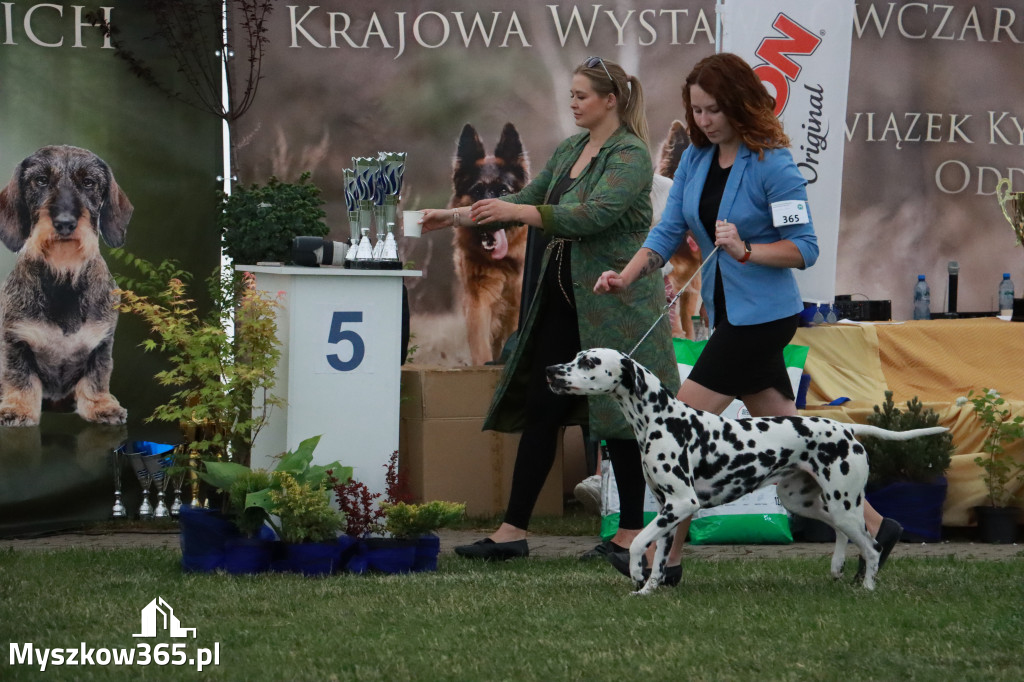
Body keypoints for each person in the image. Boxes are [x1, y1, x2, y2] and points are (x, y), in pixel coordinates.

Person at [595, 52, 902, 582]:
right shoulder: (694, 159)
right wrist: (627, 274)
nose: (704, 120)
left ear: (739, 105)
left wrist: (746, 251)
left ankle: (664, 561)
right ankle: (876, 527)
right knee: (790, 431)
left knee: (675, 432)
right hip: (727, 316)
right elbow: (668, 231)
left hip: (761, 319)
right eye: (696, 110)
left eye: (714, 109)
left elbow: (803, 249)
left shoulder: (774, 164)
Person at [418, 56, 680, 561]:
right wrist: (453, 215)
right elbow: (525, 198)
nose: (574, 103)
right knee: (543, 409)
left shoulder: (630, 157)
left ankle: (628, 536)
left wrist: (516, 210)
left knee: (620, 421)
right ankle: (512, 532)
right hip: (563, 305)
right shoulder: (571, 150)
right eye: (572, 96)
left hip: (614, 307)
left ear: (612, 100)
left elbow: (592, 215)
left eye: (582, 95)